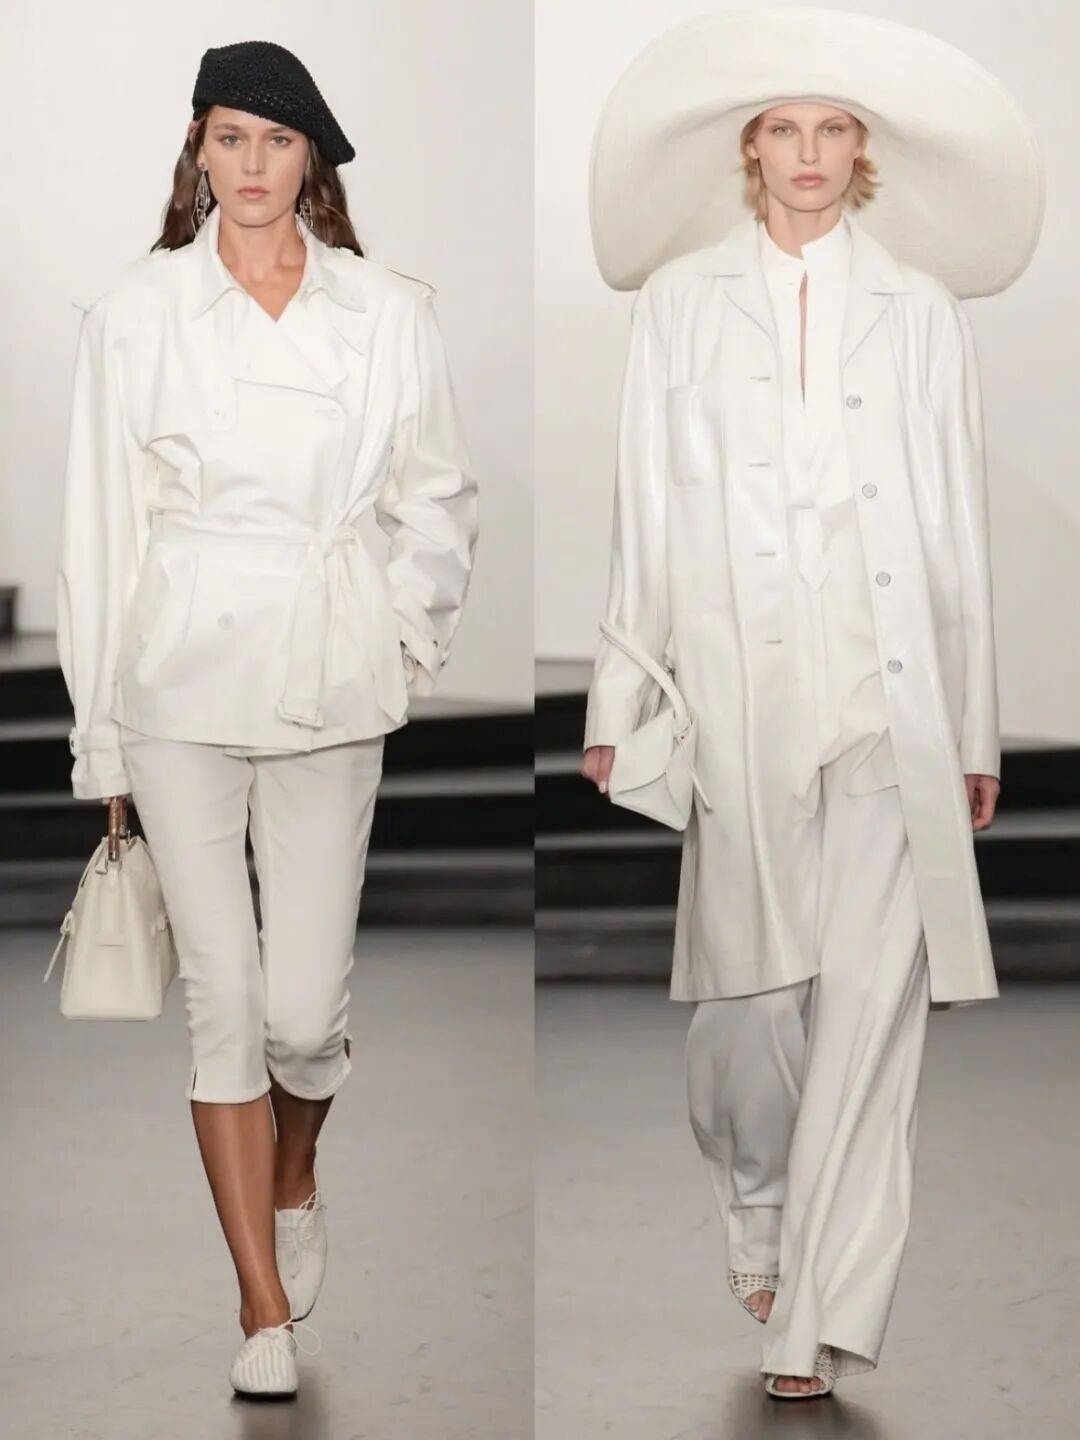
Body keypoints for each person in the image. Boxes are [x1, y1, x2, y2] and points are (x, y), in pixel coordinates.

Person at [580, 10, 1043, 1400]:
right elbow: (645, 512)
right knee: (754, 1006)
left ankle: (821, 1321)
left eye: (834, 129)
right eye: (785, 128)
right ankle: (759, 1198)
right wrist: (618, 694)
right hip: (740, 692)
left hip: (888, 692)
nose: (810, 153)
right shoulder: (679, 304)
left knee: (871, 1013)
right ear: (748, 147)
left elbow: (956, 526)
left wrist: (971, 725)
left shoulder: (919, 309)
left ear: (864, 151)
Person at [55, 40, 478, 1399]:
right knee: (225, 1003)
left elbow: (437, 493)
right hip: (178, 675)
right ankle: (260, 1304)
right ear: (196, 148)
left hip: (330, 670)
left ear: (313, 159)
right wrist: (101, 734)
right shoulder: (136, 315)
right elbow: (100, 535)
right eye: (228, 137)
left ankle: (296, 1171)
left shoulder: (386, 312)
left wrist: (402, 637)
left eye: (276, 141)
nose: (250, 164)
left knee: (304, 1013)